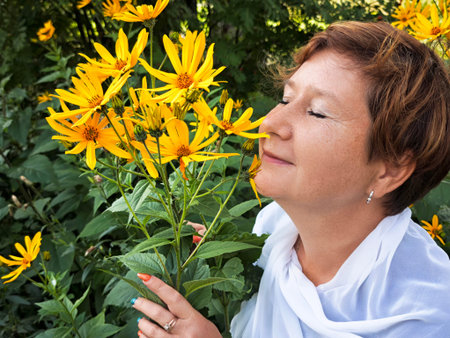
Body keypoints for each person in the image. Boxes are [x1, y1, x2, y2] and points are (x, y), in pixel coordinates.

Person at [131, 21, 450, 337]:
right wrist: (224, 253)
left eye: (318, 112)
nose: (269, 121)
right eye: (285, 99)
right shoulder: (272, 227)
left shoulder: (428, 314)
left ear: (390, 170)